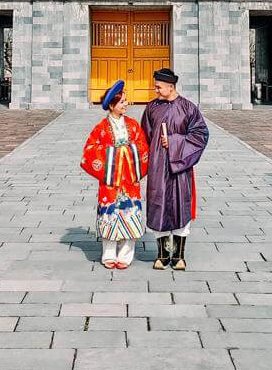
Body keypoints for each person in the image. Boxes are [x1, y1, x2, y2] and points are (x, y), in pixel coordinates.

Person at [141, 68, 209, 270]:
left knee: (181, 206)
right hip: (158, 166)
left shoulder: (188, 108)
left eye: (159, 87)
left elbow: (200, 135)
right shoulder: (152, 108)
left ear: (171, 86)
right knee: (158, 205)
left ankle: (179, 256)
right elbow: (144, 137)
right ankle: (162, 255)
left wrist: (173, 142)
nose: (155, 90)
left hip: (180, 168)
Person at [79, 79, 150, 269]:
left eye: (126, 101)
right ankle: (109, 253)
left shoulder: (133, 125)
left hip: (129, 180)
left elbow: (143, 146)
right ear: (112, 105)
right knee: (109, 214)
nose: (126, 104)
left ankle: (126, 254)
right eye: (122, 102)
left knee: (130, 212)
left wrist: (128, 151)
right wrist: (114, 153)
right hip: (110, 181)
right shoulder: (101, 128)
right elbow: (90, 150)